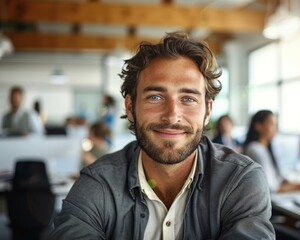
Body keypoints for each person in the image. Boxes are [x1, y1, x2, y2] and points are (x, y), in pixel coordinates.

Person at [49, 32, 275, 239]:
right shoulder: (98, 184)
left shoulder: (239, 180)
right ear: (130, 107)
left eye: (188, 99)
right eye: (155, 97)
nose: (172, 116)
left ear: (207, 111)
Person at [243, 110, 300, 193]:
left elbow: (278, 180)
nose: (276, 128)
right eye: (272, 124)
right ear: (258, 126)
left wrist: (297, 184)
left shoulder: (265, 148)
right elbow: (271, 189)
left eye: (276, 125)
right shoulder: (254, 149)